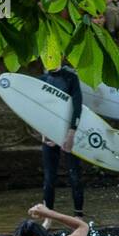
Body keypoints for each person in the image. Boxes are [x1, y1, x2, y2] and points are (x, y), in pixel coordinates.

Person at [39, 59, 85, 218]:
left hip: (69, 133)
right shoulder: (42, 80)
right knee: (49, 177)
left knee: (74, 175)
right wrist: (44, 131)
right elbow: (37, 109)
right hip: (50, 133)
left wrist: (71, 133)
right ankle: (48, 217)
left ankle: (78, 216)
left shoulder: (71, 77)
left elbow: (77, 107)